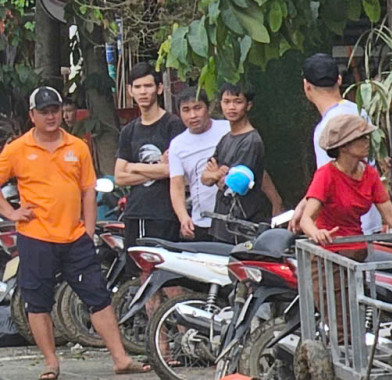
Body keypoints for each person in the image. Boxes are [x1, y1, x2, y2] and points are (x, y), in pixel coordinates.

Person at [0, 86, 149, 380]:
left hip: (75, 238)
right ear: (32, 116)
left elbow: (88, 190)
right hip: (35, 236)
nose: (51, 116)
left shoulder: (77, 146)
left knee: (98, 296)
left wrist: (88, 227)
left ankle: (120, 358)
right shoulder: (18, 149)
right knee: (38, 301)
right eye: (44, 112)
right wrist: (10, 213)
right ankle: (50, 362)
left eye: (55, 110)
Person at [112, 64, 187, 246]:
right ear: (130, 90)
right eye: (137, 87)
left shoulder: (173, 125)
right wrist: (157, 169)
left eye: (148, 86)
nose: (143, 92)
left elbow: (173, 171)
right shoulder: (129, 131)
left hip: (165, 213)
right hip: (134, 211)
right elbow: (120, 177)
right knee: (138, 272)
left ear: (159, 88)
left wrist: (133, 166)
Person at [296, 113, 392, 244]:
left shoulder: (370, 174)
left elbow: (391, 215)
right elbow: (306, 219)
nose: (367, 142)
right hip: (328, 251)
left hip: (357, 247)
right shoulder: (326, 174)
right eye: (361, 138)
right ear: (344, 146)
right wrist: (317, 233)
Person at [305, 53, 380, 234]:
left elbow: (328, 183)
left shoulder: (328, 129)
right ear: (339, 80)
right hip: (371, 217)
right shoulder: (358, 111)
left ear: (307, 86)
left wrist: (306, 216)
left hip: (344, 230)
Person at [199, 82, 284, 241]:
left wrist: (217, 176)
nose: (231, 107)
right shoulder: (226, 139)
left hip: (240, 226)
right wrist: (217, 174)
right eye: (226, 102)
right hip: (221, 222)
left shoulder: (251, 141)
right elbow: (204, 177)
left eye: (237, 102)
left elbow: (236, 184)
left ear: (248, 105)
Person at [165, 88, 231, 239]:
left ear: (208, 108)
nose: (192, 115)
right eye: (186, 110)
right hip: (202, 222)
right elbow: (176, 186)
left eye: (197, 108)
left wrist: (275, 201)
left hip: (233, 219)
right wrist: (183, 217)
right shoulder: (177, 145)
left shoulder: (227, 129)